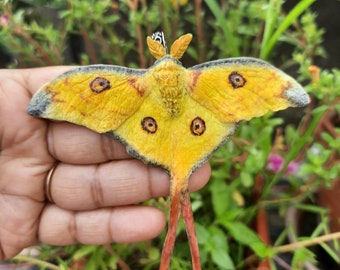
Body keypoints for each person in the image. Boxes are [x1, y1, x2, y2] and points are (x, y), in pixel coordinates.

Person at [0, 67, 211, 262]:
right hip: (186, 126)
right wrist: (55, 98)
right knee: (179, 193)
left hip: (159, 126)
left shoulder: (134, 83)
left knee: (179, 191)